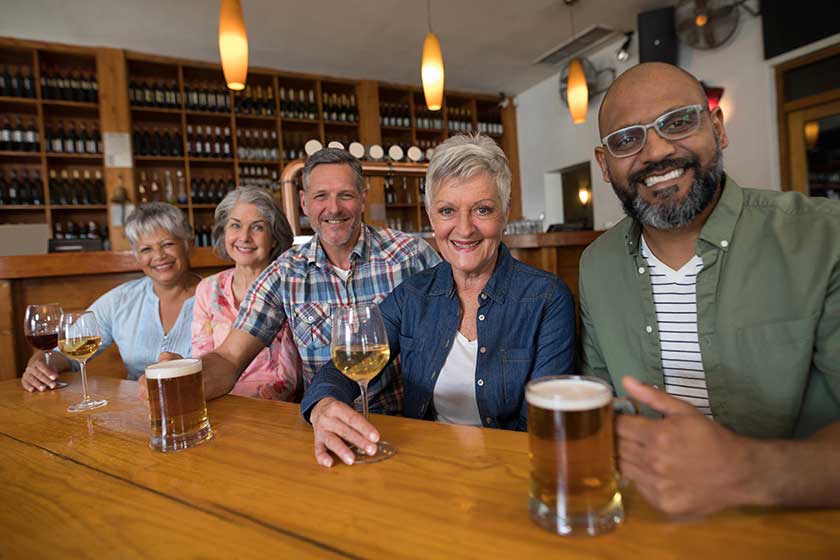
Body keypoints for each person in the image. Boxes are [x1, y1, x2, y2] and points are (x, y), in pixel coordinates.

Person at [580, 62, 840, 516]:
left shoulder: (823, 239)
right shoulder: (596, 266)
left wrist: (745, 470)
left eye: (678, 121)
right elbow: (605, 406)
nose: (656, 151)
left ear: (717, 128)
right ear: (604, 165)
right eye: (627, 139)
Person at [302, 133, 577, 467]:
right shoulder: (412, 295)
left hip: (512, 473)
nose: (464, 229)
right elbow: (346, 364)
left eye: (482, 209)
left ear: (505, 213)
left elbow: (543, 425)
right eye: (447, 210)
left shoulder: (548, 298)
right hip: (425, 466)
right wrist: (323, 405)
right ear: (430, 217)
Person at [144, 148, 441, 406]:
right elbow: (229, 359)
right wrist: (187, 374)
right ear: (304, 203)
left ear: (363, 198)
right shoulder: (284, 273)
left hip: (410, 421)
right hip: (327, 424)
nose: (333, 208)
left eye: (346, 195)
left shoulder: (409, 255)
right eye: (321, 196)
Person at [21, 202, 200, 390]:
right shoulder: (119, 300)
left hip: (202, 403)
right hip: (137, 408)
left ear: (189, 245)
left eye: (168, 244)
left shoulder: (215, 299)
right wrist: (40, 365)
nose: (159, 256)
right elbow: (65, 352)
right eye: (146, 249)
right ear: (137, 256)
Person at [190, 186, 302, 400]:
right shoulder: (208, 288)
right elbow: (201, 357)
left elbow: (292, 376)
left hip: (281, 408)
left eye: (257, 227)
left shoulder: (290, 285)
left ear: (275, 238)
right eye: (235, 225)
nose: (244, 237)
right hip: (222, 402)